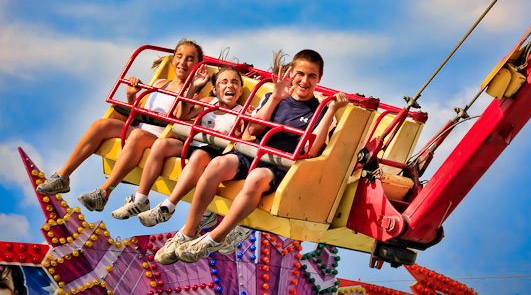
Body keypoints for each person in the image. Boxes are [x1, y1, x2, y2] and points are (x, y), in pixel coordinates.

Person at [155, 49, 348, 264]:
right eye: (301, 74)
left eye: (312, 76)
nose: (305, 80)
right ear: (291, 73)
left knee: (256, 177)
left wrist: (332, 109)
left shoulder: (320, 110)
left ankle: (214, 238)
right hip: (254, 153)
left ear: (319, 78)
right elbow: (254, 129)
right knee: (217, 163)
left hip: (280, 166)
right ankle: (187, 233)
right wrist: (276, 98)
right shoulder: (274, 96)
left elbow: (312, 150)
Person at [36, 39, 203, 213]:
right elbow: (136, 116)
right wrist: (131, 96)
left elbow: (180, 117)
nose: (183, 62)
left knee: (137, 136)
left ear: (198, 66)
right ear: (172, 58)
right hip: (140, 129)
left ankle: (104, 192)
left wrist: (190, 88)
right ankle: (63, 177)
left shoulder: (195, 95)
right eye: (179, 56)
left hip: (162, 140)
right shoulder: (158, 83)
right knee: (101, 125)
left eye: (190, 59)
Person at [110, 66, 247, 228]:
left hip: (216, 153)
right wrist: (193, 87)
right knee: (162, 144)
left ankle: (167, 207)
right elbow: (181, 114)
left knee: (198, 156)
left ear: (241, 91)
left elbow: (244, 137)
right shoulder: (209, 102)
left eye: (235, 82)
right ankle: (140, 200)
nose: (230, 85)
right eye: (224, 82)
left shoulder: (242, 112)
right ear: (215, 90)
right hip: (194, 145)